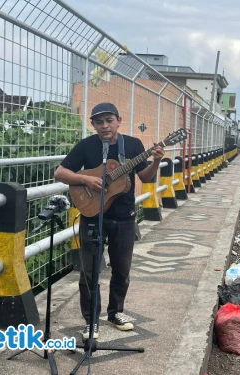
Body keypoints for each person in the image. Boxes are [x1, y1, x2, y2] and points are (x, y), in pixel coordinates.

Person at [54, 102, 164, 339]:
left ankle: (115, 312)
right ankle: (91, 321)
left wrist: (155, 160)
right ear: (92, 124)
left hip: (124, 217)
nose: (105, 126)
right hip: (92, 216)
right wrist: (86, 181)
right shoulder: (87, 146)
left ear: (118, 121)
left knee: (122, 270)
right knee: (90, 272)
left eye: (109, 120)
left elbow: (144, 176)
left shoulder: (133, 145)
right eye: (99, 121)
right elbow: (61, 172)